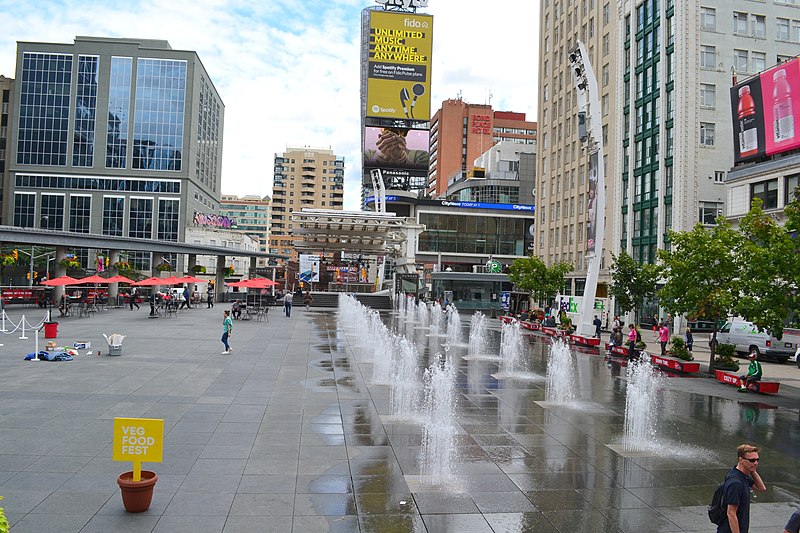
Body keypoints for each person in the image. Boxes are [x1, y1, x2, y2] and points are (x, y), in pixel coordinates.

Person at [717, 443, 766, 533]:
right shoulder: (735, 483)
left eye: (757, 460)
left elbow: (761, 488)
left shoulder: (741, 474)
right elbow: (731, 513)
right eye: (752, 460)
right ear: (741, 460)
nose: (756, 463)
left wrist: (752, 470)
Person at [364, 127, 429, 169]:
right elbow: (366, 175)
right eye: (387, 131)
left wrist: (402, 158)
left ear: (403, 135)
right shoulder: (367, 154)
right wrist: (378, 157)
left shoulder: (421, 155)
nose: (392, 135)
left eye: (395, 132)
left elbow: (418, 175)